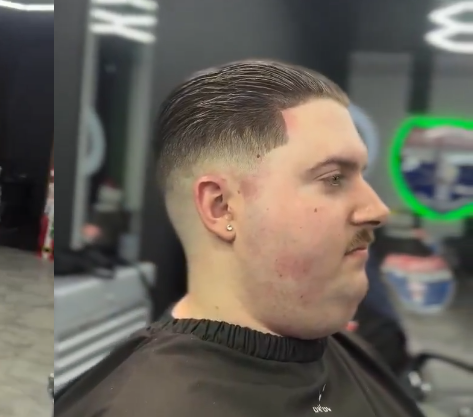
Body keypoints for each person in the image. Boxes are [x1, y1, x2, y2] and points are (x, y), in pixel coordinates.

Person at [54, 60, 425, 416]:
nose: (377, 209)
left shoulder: (353, 351)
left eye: (360, 175)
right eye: (334, 178)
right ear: (222, 207)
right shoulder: (139, 407)